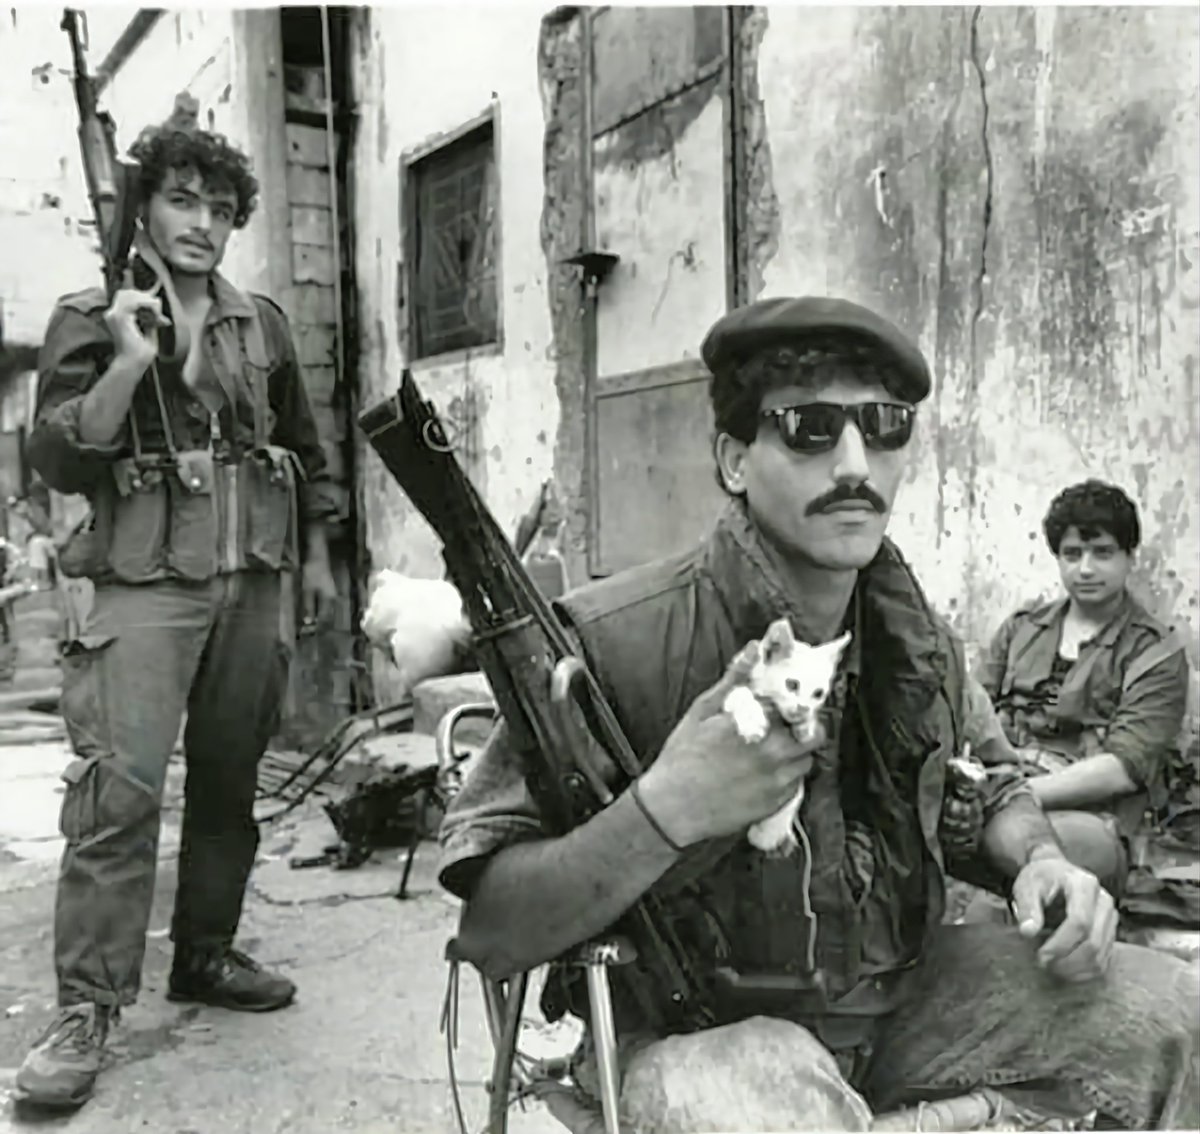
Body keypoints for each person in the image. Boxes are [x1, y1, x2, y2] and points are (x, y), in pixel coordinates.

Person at [438, 297, 1199, 1130]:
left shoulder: (918, 642)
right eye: (808, 427)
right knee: (754, 1101)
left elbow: (993, 785)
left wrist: (1042, 865)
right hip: (698, 1034)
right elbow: (492, 934)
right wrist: (664, 812)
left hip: (903, 999)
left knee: (1173, 1013)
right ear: (733, 458)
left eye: (883, 426)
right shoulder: (608, 643)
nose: (854, 463)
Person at [16, 94, 339, 1110]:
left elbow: (307, 450)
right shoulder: (90, 317)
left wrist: (319, 561)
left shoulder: (263, 325)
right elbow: (61, 455)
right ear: (146, 211)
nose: (201, 224)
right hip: (145, 586)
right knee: (118, 795)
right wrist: (130, 358)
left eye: (218, 208)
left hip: (251, 577)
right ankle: (88, 1008)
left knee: (231, 782)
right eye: (181, 201)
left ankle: (205, 952)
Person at [977, 480, 1190, 897]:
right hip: (1005, 786)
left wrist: (1014, 796)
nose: (1086, 569)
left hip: (1094, 818)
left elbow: (1124, 767)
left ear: (1130, 557)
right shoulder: (1022, 628)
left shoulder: (1156, 653)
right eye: (1072, 555)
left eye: (1103, 553)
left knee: (1026, 845)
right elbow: (971, 711)